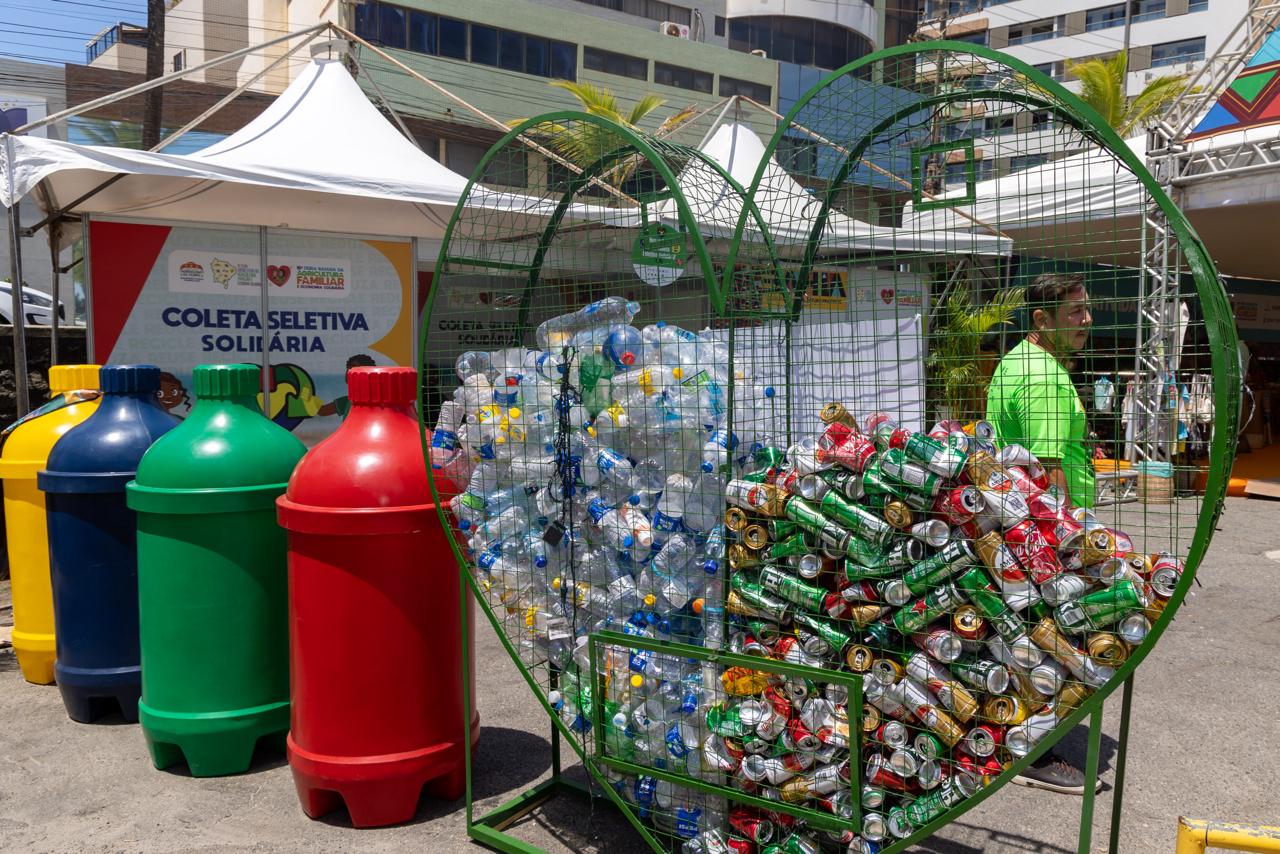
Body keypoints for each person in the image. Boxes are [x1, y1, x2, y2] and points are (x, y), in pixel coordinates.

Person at [986, 272, 1100, 795]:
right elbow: (1048, 470)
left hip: (1014, 525)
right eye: (1074, 313)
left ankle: (1013, 730)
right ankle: (1037, 751)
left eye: (1086, 310)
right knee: (1051, 641)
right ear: (1042, 319)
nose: (1086, 321)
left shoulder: (1015, 362)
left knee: (1019, 639)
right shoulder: (1045, 378)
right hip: (1045, 535)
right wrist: (1072, 549)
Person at [318, 354, 377, 418]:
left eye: (353, 367)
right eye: (348, 367)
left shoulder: (377, 401)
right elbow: (322, 411)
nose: (348, 371)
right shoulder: (348, 401)